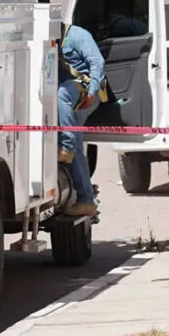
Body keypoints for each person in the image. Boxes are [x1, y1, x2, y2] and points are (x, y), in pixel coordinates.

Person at [57, 24, 105, 217]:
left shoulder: (77, 34)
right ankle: (85, 199)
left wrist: (92, 92)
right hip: (70, 95)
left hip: (85, 90)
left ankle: (65, 146)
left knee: (62, 94)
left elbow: (97, 62)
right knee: (77, 143)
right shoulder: (50, 41)